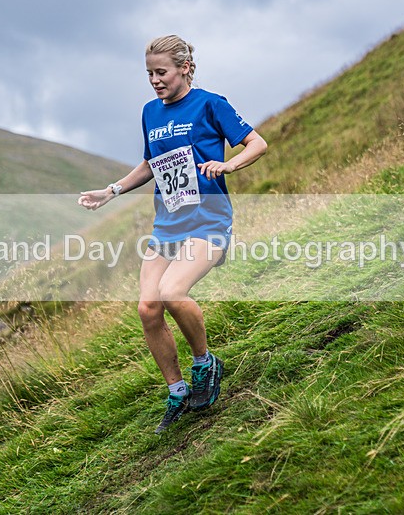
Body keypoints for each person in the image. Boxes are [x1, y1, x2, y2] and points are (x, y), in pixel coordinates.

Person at [78, 34, 267, 433]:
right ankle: (178, 391)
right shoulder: (150, 112)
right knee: (148, 306)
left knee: (172, 292)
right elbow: (151, 163)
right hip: (168, 224)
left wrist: (230, 166)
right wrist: (111, 191)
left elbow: (257, 143)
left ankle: (205, 364)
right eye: (149, 73)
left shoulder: (211, 103)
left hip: (209, 221)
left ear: (184, 68)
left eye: (161, 72)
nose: (154, 80)